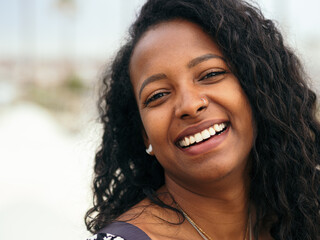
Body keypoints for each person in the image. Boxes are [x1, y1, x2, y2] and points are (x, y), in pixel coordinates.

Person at [85, 0, 320, 239]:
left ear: (257, 90)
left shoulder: (301, 218)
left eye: (211, 74)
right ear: (145, 135)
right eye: (158, 95)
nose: (190, 105)